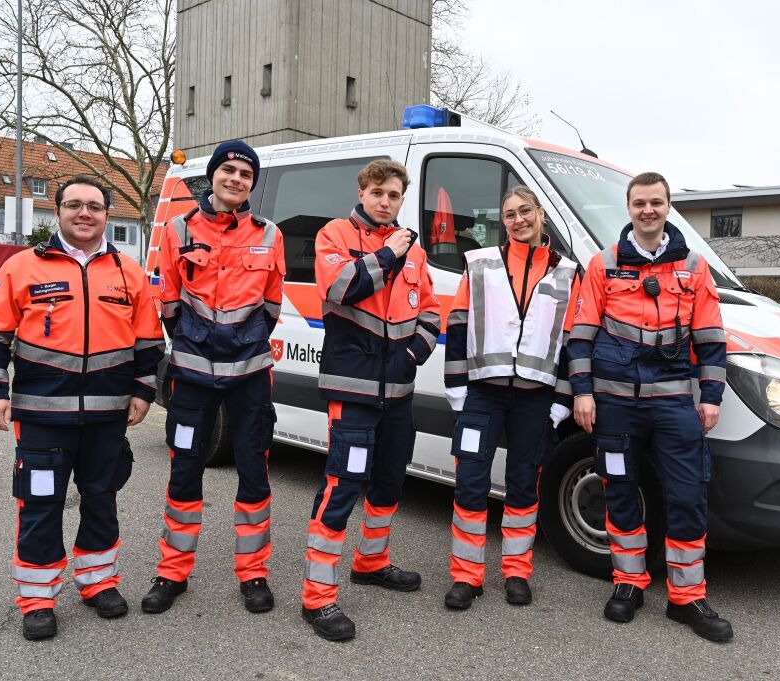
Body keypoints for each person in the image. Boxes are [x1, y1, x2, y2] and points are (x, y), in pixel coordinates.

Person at [0, 174, 164, 641]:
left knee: (102, 500)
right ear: (56, 211)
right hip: (41, 421)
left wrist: (142, 393)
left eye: (95, 207)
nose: (85, 213)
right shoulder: (22, 268)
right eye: (74, 204)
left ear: (106, 215)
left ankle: (98, 583)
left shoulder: (128, 271)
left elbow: (149, 341)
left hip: (107, 419)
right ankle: (38, 599)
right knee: (39, 505)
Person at [568, 172, 732, 642]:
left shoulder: (694, 267)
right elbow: (581, 336)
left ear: (667, 207)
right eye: (640, 203)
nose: (648, 211)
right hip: (615, 405)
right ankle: (628, 583)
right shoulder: (604, 265)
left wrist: (712, 398)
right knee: (619, 490)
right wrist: (582, 392)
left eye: (656, 203)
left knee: (686, 494)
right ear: (628, 208)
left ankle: (687, 597)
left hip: (675, 404)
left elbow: (711, 338)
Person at [142, 140, 285, 616]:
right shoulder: (179, 228)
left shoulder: (270, 235)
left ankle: (253, 574)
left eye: (246, 173)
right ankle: (172, 572)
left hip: (249, 375)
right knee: (185, 469)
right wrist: (196, 338)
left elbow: (271, 304)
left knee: (253, 471)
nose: (236, 178)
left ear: (252, 183)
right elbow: (168, 297)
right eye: (229, 169)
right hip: (193, 373)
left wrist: (240, 342)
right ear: (215, 175)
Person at [300, 159, 441, 642]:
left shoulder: (413, 251)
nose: (386, 201)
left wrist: (413, 354)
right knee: (343, 485)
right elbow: (340, 288)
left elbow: (431, 310)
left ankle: (371, 561)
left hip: (399, 390)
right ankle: (317, 597)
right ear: (362, 192)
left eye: (394, 195)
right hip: (353, 389)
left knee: (388, 481)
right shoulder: (335, 234)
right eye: (378, 192)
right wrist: (388, 253)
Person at [441, 187, 580, 610]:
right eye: (509, 215)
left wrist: (562, 401)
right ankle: (467, 577)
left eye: (525, 212)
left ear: (540, 214)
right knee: (470, 483)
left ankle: (517, 572)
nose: (518, 220)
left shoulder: (568, 273)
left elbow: (572, 343)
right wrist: (457, 390)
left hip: (535, 400)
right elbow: (459, 326)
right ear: (502, 222)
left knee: (524, 486)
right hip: (482, 395)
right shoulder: (479, 263)